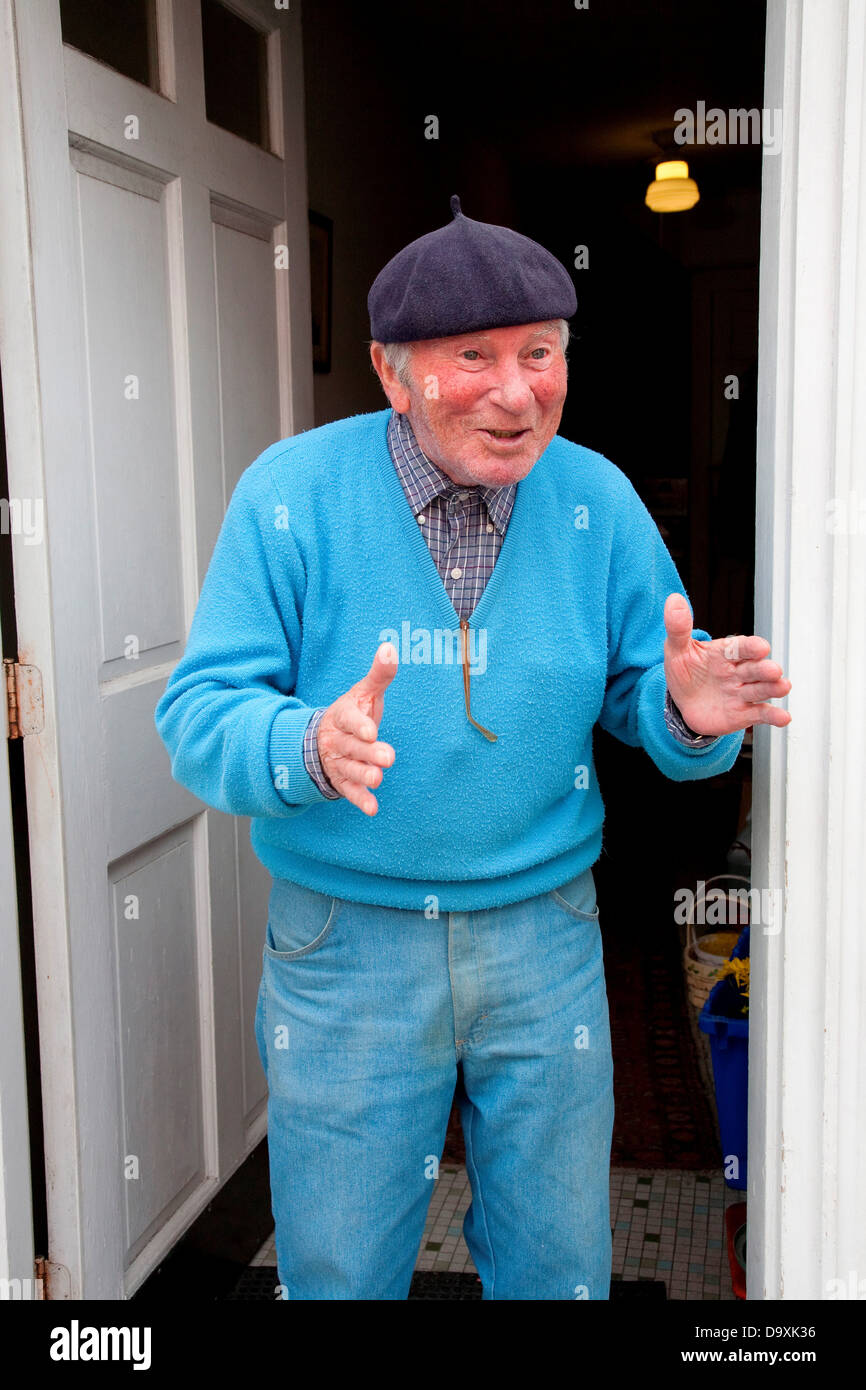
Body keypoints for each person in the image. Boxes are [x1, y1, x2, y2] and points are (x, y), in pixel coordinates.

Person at [153, 195, 792, 1301]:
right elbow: (198, 713)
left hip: (541, 935)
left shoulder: (595, 498)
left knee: (557, 1267)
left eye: (539, 353)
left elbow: (653, 700)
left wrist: (685, 712)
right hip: (345, 945)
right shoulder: (290, 496)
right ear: (392, 374)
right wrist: (305, 744)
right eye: (472, 357)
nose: (515, 390)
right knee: (340, 1271)